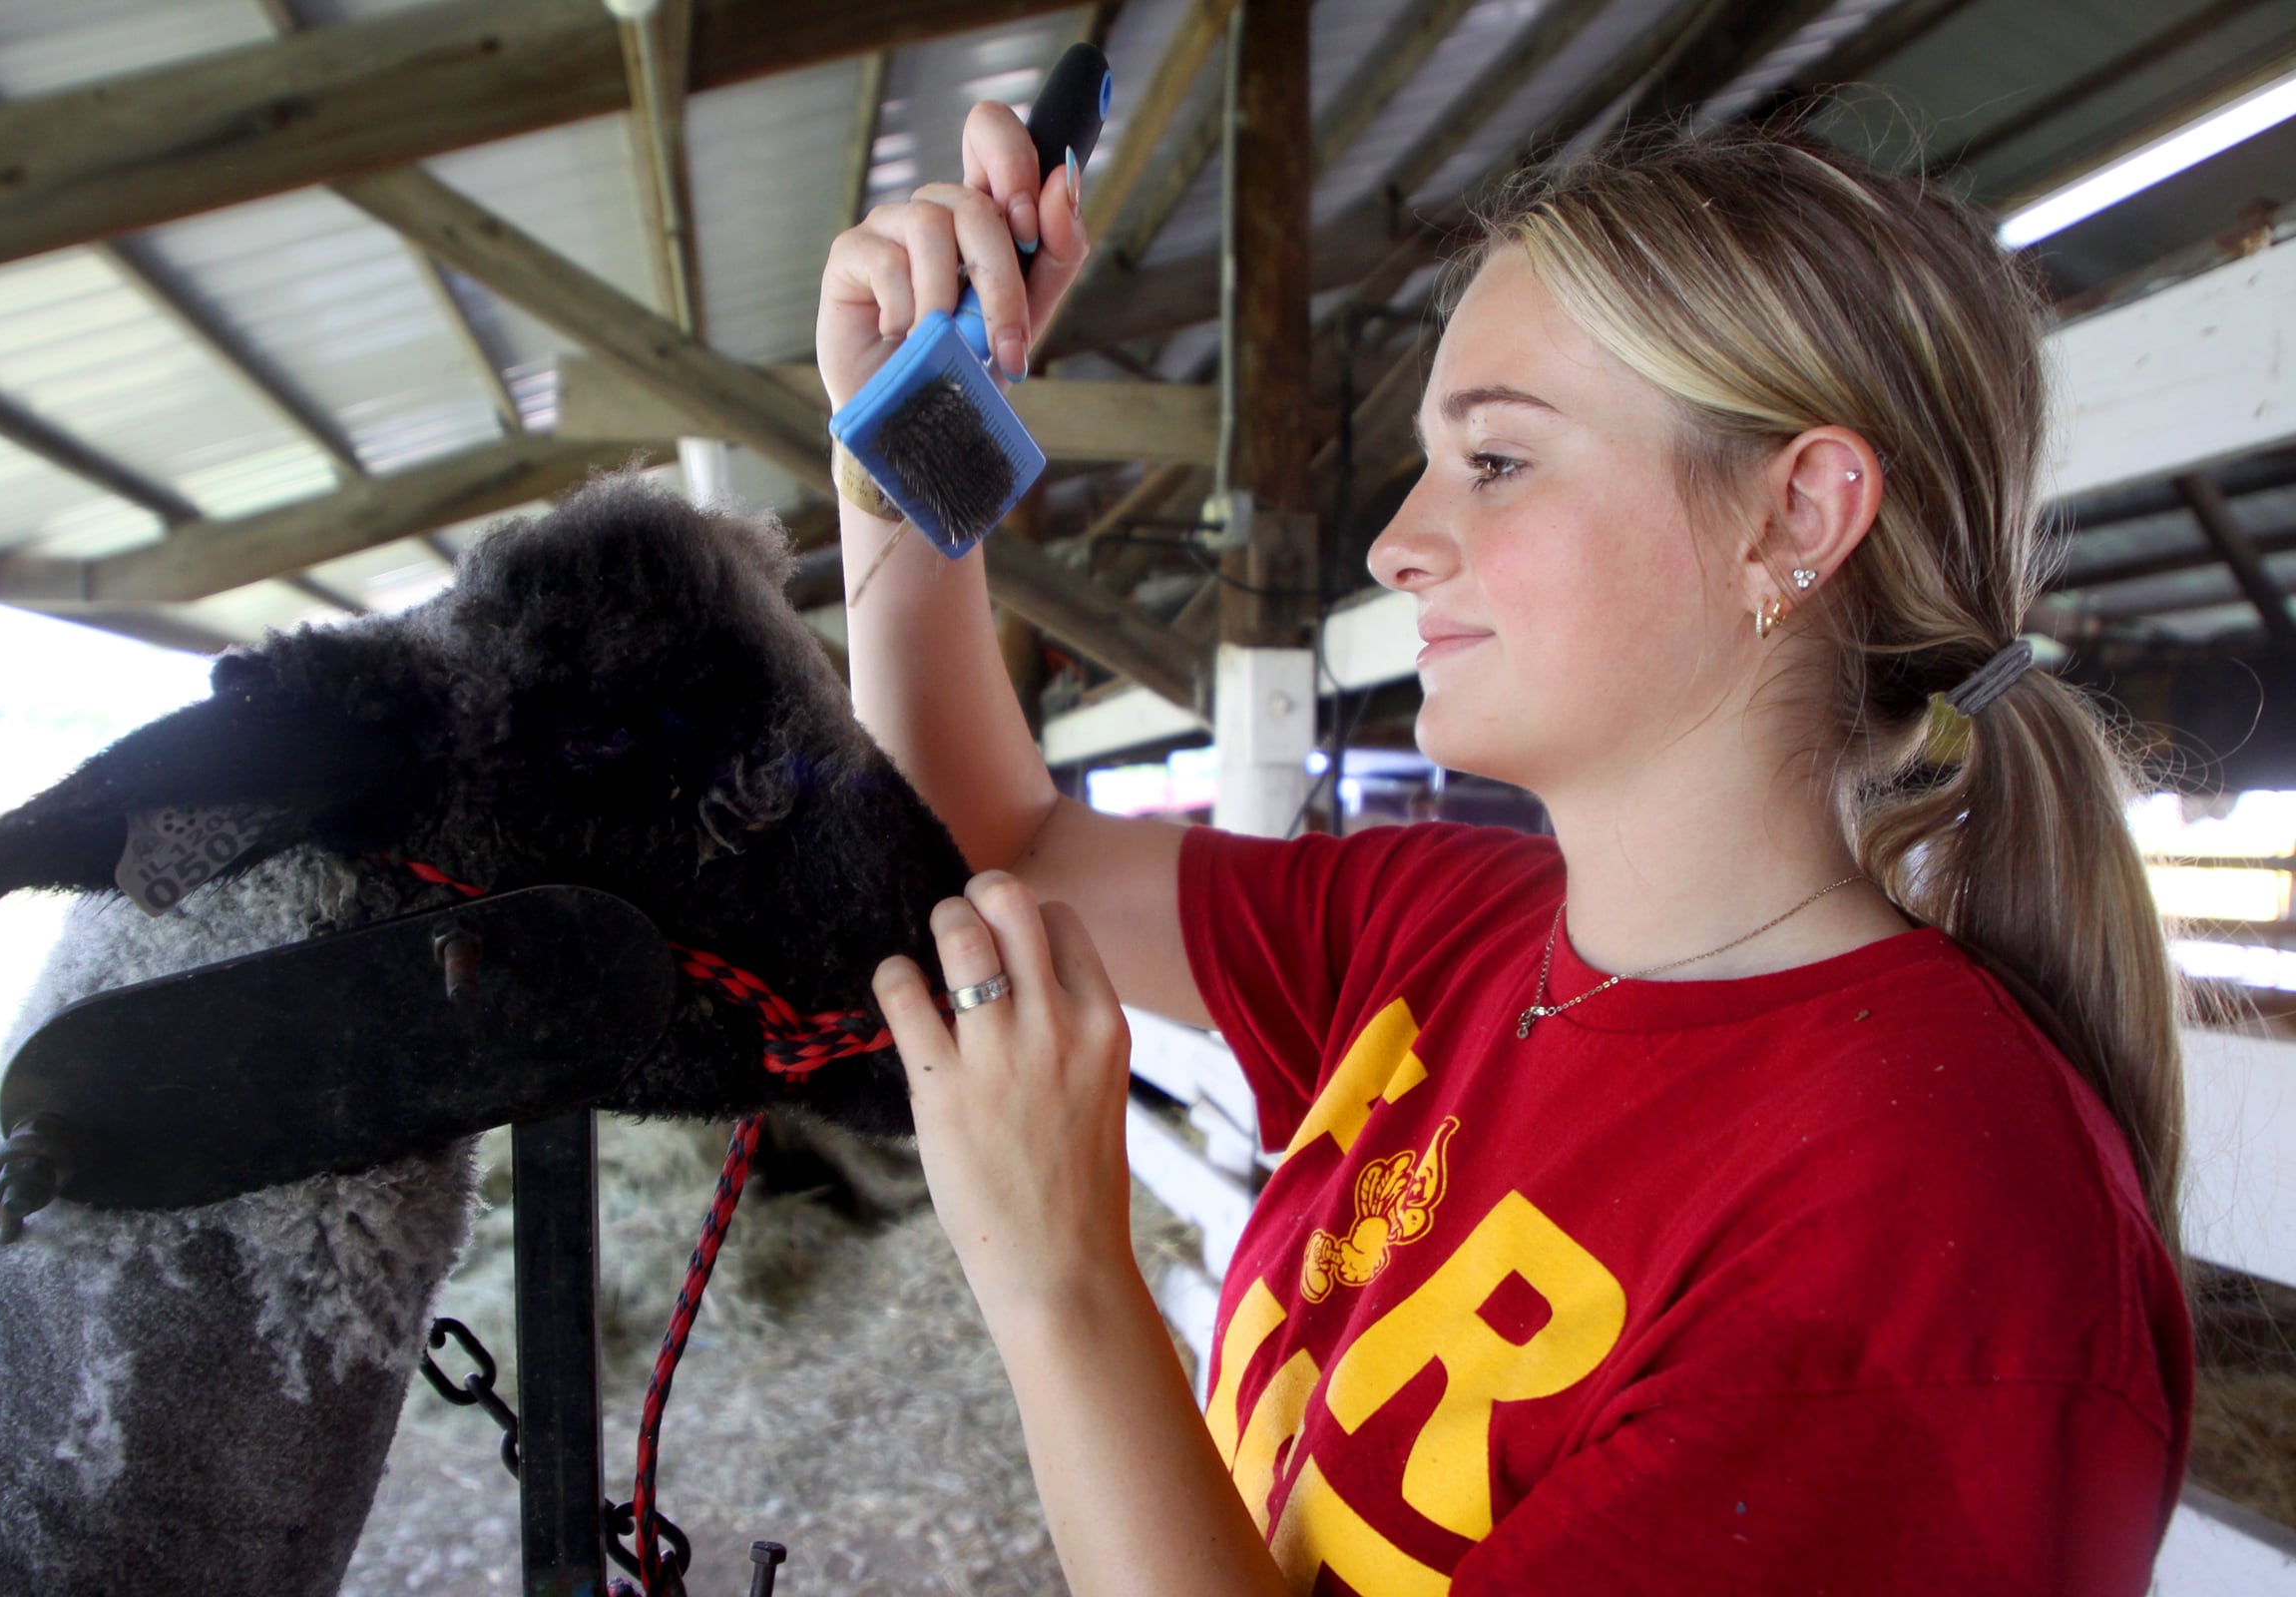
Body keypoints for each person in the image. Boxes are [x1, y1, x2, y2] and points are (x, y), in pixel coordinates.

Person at [817, 107, 2193, 1595]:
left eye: (1496, 460)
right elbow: (996, 841)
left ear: (1792, 516)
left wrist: (1064, 1287)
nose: (1397, 542)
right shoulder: (1447, 925)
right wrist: (905, 438)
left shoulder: (1940, 1242)